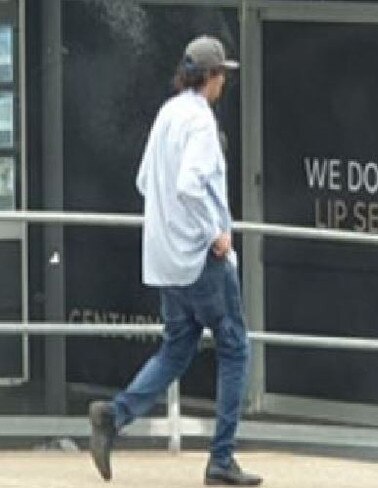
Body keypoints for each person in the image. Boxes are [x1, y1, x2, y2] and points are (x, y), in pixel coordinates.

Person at [88, 35, 262, 486]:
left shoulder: (168, 113)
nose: (225, 81)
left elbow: (145, 180)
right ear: (211, 76)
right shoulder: (201, 121)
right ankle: (221, 459)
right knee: (235, 348)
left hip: (165, 260)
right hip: (201, 258)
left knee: (177, 347)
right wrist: (214, 234)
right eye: (223, 73)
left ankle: (115, 414)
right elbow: (189, 186)